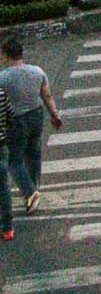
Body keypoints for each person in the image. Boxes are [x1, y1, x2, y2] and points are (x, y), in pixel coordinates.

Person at [0, 39, 64, 223]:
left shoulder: (3, 78)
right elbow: (47, 95)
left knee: (14, 160)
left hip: (15, 120)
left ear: (6, 55)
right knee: (34, 155)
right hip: (36, 116)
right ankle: (33, 190)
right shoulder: (37, 71)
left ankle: (29, 192)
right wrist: (55, 115)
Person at [0, 78, 12, 240]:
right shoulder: (1, 94)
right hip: (1, 144)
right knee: (3, 187)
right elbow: (11, 115)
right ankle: (8, 228)